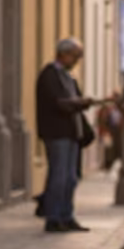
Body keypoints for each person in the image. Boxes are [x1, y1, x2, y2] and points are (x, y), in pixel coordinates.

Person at [35, 38, 94, 233]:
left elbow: (75, 100)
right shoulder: (49, 75)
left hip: (72, 133)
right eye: (74, 56)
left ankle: (67, 215)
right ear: (63, 54)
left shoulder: (69, 78)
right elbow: (58, 103)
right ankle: (53, 217)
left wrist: (82, 102)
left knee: (71, 177)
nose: (76, 61)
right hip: (56, 133)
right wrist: (79, 103)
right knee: (58, 176)